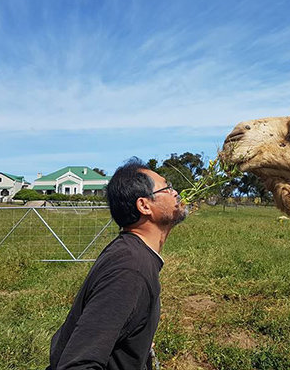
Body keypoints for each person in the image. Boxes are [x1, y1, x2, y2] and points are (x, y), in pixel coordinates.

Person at [47, 158, 188, 370]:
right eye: (167, 188)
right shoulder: (130, 269)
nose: (176, 193)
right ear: (144, 205)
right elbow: (77, 364)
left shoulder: (132, 253)